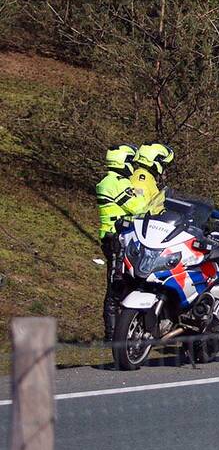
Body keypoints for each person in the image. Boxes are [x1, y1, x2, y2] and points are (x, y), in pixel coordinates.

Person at [96, 143, 149, 340]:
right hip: (117, 239)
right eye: (130, 162)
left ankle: (116, 331)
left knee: (118, 284)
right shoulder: (118, 182)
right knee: (116, 286)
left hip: (110, 237)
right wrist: (141, 196)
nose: (133, 166)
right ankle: (112, 334)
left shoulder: (107, 180)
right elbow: (138, 208)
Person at [131, 141, 175, 214]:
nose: (165, 170)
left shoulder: (148, 179)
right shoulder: (140, 181)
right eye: (165, 165)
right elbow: (141, 211)